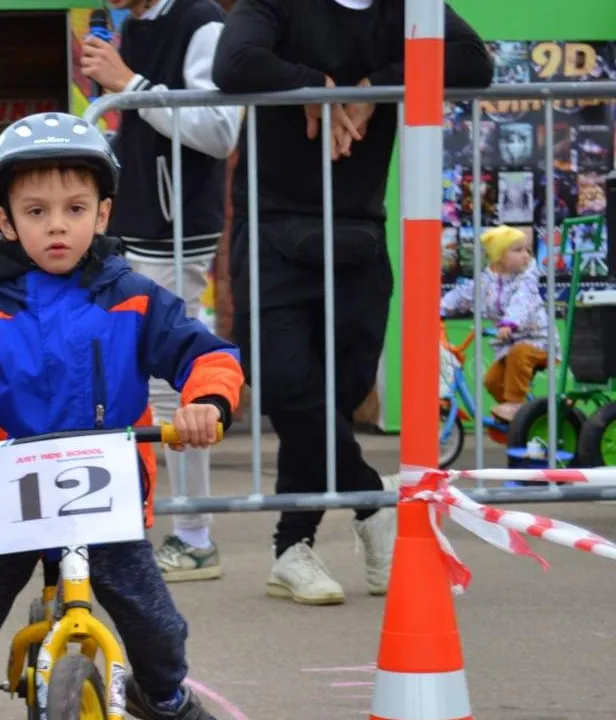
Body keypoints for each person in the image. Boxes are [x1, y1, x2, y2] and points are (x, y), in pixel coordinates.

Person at [0, 112, 243, 720]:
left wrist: (207, 402)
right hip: (9, 501)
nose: (57, 225)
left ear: (103, 215)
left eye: (75, 209)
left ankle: (164, 697)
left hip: (105, 501)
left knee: (158, 628)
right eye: (36, 212)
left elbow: (208, 355)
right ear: (6, 221)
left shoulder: (135, 298)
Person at [212, 0, 493, 604]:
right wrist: (317, 89)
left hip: (358, 233)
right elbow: (232, 63)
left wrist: (379, 85)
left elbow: (475, 62)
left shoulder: (406, 6)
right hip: (273, 227)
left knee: (333, 399)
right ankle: (373, 500)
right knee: (284, 380)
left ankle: (291, 549)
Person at [81, 0, 243, 583]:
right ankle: (136, 524)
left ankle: (195, 535)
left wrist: (128, 84)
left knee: (171, 384)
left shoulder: (201, 22)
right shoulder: (132, 25)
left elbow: (220, 131)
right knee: (123, 375)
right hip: (134, 224)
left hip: (174, 231)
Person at [440, 225, 551, 422]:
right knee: (492, 381)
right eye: (518, 250)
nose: (526, 255)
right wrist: (440, 309)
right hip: (509, 344)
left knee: (519, 353)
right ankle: (521, 419)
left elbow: (522, 301)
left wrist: (510, 322)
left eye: (527, 250)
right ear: (499, 257)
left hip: (538, 340)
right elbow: (463, 294)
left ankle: (515, 406)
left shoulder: (527, 279)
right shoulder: (485, 281)